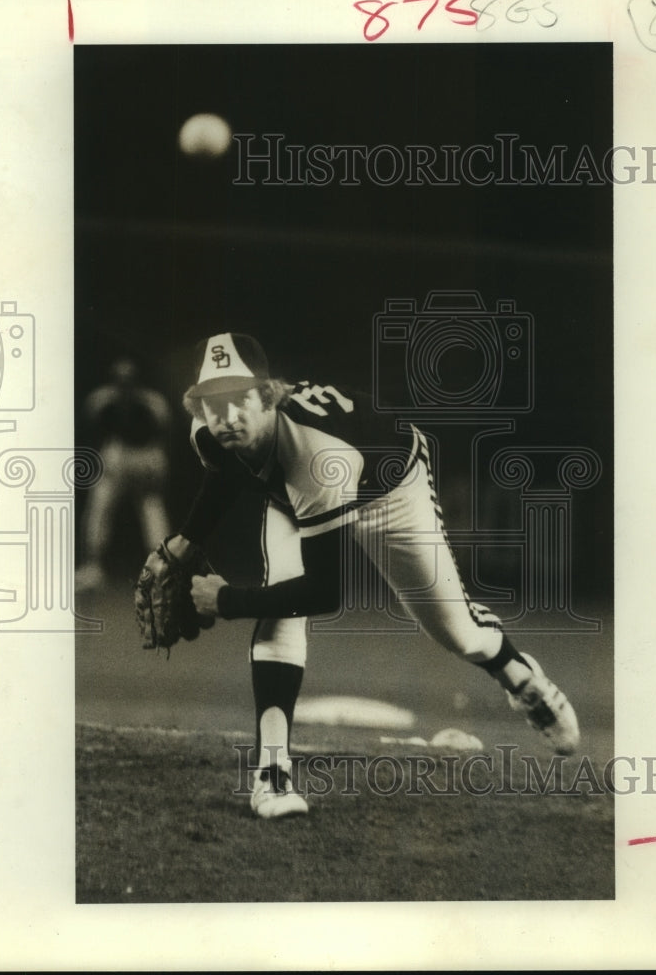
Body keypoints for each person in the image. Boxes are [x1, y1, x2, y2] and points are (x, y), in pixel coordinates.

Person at [167, 332, 580, 819]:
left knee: (459, 634)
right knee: (280, 619)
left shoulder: (317, 454)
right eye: (213, 403)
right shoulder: (209, 433)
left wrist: (229, 600)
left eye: (239, 398)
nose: (227, 416)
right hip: (295, 493)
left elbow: (326, 591)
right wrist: (179, 545)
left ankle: (522, 679)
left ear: (268, 394)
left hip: (387, 489)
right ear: (198, 409)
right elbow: (225, 472)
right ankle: (271, 776)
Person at [76, 358, 171, 591]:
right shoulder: (101, 400)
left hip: (146, 455)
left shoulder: (153, 403)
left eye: (129, 380)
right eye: (120, 380)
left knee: (151, 509)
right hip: (117, 454)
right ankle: (93, 568)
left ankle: (161, 569)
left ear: (136, 382)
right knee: (99, 507)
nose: (124, 385)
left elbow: (164, 435)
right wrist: (105, 456)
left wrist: (158, 464)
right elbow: (93, 431)